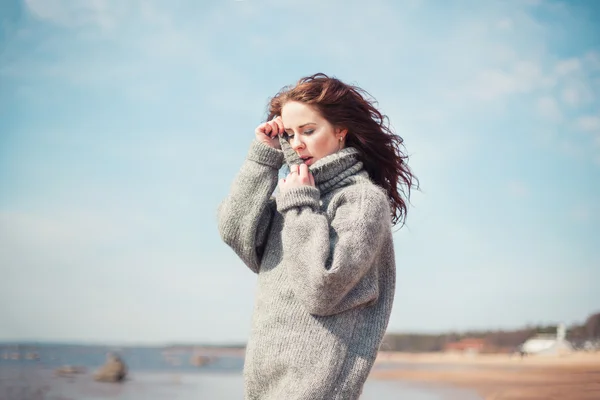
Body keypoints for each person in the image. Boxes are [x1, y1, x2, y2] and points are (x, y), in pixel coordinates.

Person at [217, 73, 417, 400]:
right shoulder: (298, 194)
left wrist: (299, 206)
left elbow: (320, 289)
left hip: (316, 389)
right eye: (290, 133)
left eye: (309, 131)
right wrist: (262, 157)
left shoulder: (361, 200)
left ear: (341, 131)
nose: (297, 144)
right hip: (264, 382)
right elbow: (236, 232)